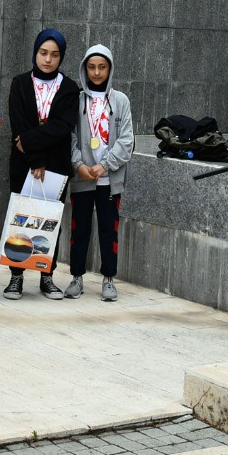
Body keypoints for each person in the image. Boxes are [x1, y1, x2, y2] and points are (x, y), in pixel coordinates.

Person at [4, 28, 78, 300]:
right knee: (21, 219)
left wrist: (35, 148)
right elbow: (18, 123)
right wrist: (35, 159)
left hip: (56, 166)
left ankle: (46, 275)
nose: (48, 59)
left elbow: (62, 127)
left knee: (50, 222)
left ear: (61, 57)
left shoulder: (69, 88)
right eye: (43, 53)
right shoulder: (20, 83)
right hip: (23, 163)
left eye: (54, 55)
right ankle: (16, 276)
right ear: (35, 53)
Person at [66, 44, 134, 302]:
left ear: (110, 69)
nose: (96, 72)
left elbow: (127, 140)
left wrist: (105, 164)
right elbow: (70, 137)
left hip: (109, 178)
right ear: (85, 69)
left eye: (102, 67)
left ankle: (108, 278)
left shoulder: (120, 101)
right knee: (79, 229)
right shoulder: (77, 100)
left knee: (109, 229)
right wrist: (78, 165)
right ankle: (76, 277)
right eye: (92, 67)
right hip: (83, 177)